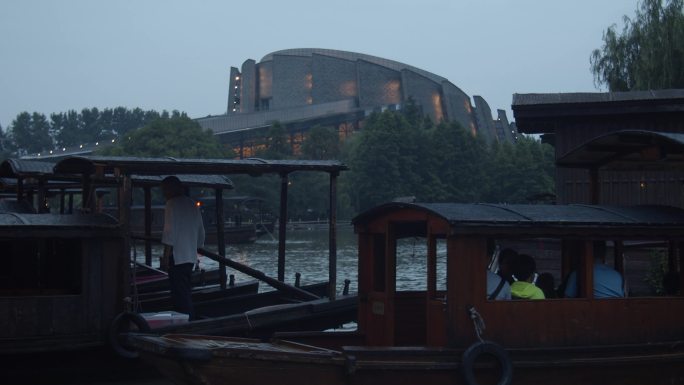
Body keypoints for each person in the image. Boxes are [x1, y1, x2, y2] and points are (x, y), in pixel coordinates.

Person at [161, 176, 205, 319]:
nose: (164, 193)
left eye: (165, 189)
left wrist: (166, 257)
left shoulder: (171, 204)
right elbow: (201, 231)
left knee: (179, 294)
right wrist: (196, 249)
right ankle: (188, 318)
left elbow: (169, 232)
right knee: (185, 291)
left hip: (177, 256)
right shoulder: (192, 204)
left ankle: (185, 321)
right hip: (189, 257)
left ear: (172, 188)